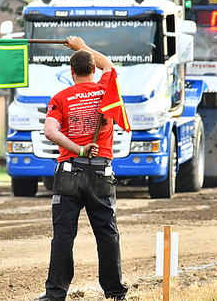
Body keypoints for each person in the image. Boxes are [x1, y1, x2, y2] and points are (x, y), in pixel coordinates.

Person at [39, 36, 128, 301]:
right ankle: (115, 293)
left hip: (69, 172)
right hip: (102, 172)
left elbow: (50, 132)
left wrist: (77, 149)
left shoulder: (61, 97)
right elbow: (108, 63)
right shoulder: (106, 90)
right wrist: (82, 46)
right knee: (107, 234)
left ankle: (55, 294)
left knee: (63, 237)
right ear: (92, 70)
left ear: (71, 72)